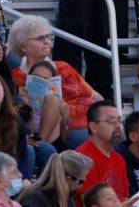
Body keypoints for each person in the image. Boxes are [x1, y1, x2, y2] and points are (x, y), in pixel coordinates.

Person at [8, 16, 102, 150]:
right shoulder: (17, 76)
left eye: (48, 37)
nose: (47, 42)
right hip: (63, 126)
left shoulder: (63, 67)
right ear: (23, 46)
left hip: (89, 119)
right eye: (40, 38)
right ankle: (40, 145)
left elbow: (95, 96)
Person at [75, 101, 129, 206]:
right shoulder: (83, 158)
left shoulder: (119, 159)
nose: (118, 125)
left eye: (120, 121)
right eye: (112, 121)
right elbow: (88, 202)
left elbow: (124, 197)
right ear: (94, 127)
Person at [19, 150, 93, 207]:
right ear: (68, 180)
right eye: (81, 182)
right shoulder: (35, 199)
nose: (81, 186)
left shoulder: (66, 198)